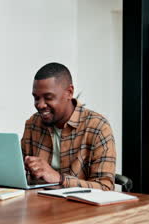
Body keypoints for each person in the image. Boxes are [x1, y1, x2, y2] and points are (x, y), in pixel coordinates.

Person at [21, 62, 116, 190]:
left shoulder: (98, 128)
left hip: (81, 208)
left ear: (69, 92)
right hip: (40, 205)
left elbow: (105, 188)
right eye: (36, 98)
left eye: (48, 97)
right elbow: (21, 176)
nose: (40, 105)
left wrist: (60, 179)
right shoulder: (32, 124)